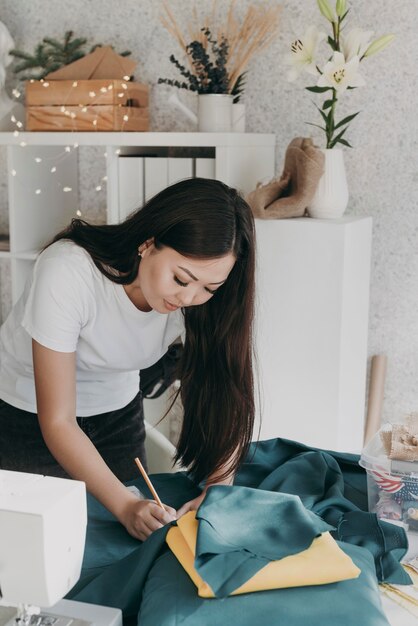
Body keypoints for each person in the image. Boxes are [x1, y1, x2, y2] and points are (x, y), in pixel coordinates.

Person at [0, 177, 256, 541]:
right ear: (148, 242)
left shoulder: (199, 300)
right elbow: (57, 420)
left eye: (209, 289)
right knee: (40, 548)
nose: (189, 297)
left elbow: (227, 390)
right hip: (26, 418)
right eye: (182, 279)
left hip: (117, 416)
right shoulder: (69, 270)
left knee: (132, 543)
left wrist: (219, 488)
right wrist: (123, 504)